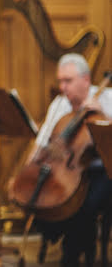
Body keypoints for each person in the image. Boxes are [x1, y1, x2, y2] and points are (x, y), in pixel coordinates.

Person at [32, 53, 112, 267]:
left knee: (83, 205)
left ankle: (72, 254)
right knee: (44, 197)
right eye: (60, 81)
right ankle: (73, 243)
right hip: (68, 168)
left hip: (103, 170)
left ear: (85, 80)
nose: (62, 87)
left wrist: (102, 114)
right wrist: (31, 167)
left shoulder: (108, 98)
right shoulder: (59, 104)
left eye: (68, 81)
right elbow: (41, 142)